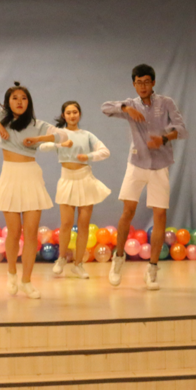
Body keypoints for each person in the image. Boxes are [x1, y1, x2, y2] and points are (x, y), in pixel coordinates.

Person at [0, 82, 69, 300]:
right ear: (8, 101)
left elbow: (63, 136)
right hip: (10, 176)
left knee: (31, 233)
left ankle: (26, 281)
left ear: (29, 102)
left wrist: (38, 139)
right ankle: (11, 273)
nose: (19, 102)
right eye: (15, 98)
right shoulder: (1, 117)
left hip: (31, 177)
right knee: (14, 232)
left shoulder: (37, 124)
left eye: (24, 98)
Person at [101, 64, 187, 290]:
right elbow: (105, 108)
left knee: (160, 215)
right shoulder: (130, 104)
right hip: (136, 164)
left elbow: (182, 129)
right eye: (138, 83)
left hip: (160, 165)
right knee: (127, 211)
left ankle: (152, 269)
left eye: (146, 82)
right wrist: (125, 108)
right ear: (134, 84)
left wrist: (164, 139)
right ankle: (118, 259)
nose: (143, 86)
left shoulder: (166, 103)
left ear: (153, 82)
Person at [39, 101, 111, 279]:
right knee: (66, 223)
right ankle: (61, 258)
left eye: (75, 112)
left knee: (84, 225)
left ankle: (78, 264)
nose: (72, 115)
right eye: (68, 112)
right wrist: (61, 145)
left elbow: (105, 151)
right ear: (63, 115)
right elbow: (42, 146)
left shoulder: (87, 135)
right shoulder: (59, 134)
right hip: (66, 180)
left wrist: (88, 156)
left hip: (85, 179)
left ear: (79, 114)